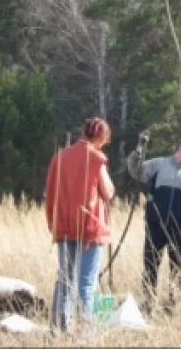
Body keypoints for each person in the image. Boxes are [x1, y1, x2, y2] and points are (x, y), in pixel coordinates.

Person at [45, 117, 115, 333]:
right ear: (101, 138)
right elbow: (109, 191)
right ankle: (86, 333)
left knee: (64, 279)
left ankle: (58, 328)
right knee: (86, 283)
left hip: (65, 225)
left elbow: (51, 192)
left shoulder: (60, 157)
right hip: (89, 227)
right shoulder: (96, 158)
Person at [127, 134, 181, 314]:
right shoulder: (158, 164)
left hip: (179, 227)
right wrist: (138, 150)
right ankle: (149, 301)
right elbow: (136, 172)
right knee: (151, 263)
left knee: (178, 265)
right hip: (155, 224)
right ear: (180, 149)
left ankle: (173, 304)